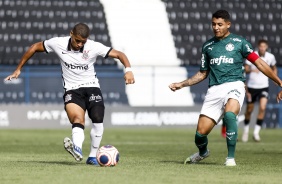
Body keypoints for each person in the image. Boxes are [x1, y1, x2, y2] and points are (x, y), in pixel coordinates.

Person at [4, 23, 135, 165]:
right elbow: (35, 47)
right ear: (71, 34)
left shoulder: (94, 47)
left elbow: (119, 54)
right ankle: (77, 148)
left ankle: (92, 156)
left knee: (97, 118)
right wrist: (18, 69)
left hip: (92, 86)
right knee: (77, 119)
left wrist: (128, 69)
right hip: (72, 89)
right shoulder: (58, 43)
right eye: (77, 40)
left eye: (83, 42)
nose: (79, 44)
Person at [169, 10, 282, 166]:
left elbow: (260, 63)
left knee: (230, 115)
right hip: (214, 89)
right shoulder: (207, 46)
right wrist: (181, 84)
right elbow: (202, 74)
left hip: (235, 84)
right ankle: (203, 152)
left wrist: (279, 81)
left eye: (220, 24)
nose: (216, 27)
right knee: (200, 135)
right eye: (213, 24)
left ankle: (230, 158)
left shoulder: (240, 42)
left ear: (228, 25)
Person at [242, 39, 277, 142]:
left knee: (262, 107)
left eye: (264, 46)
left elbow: (274, 67)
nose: (262, 48)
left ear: (266, 47)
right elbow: (245, 69)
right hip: (252, 86)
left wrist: (274, 77)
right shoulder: (252, 55)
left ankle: (256, 133)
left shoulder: (270, 57)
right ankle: (246, 131)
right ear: (258, 47)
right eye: (260, 46)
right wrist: (253, 69)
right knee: (249, 110)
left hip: (264, 86)